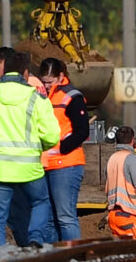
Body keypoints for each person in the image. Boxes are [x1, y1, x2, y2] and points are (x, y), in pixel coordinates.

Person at [0, 46, 59, 246]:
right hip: (29, 168)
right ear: (25, 73)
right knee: (41, 202)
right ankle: (35, 239)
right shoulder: (36, 98)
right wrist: (38, 148)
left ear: (3, 71)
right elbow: (52, 135)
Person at [33, 57, 93, 245]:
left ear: (61, 77)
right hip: (46, 164)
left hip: (66, 164)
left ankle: (72, 256)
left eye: (49, 82)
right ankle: (55, 257)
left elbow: (82, 131)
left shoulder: (72, 96)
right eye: (43, 81)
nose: (46, 85)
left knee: (65, 217)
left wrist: (63, 148)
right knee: (49, 218)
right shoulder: (41, 96)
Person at [103, 124, 136, 238]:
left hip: (113, 215)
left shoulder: (112, 159)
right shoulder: (132, 159)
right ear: (133, 140)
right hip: (128, 214)